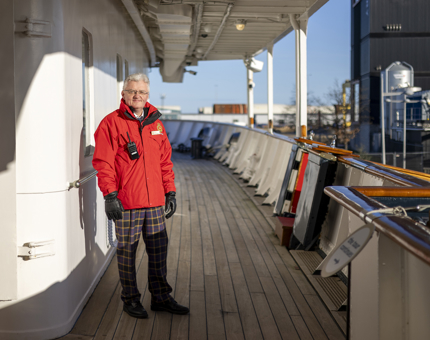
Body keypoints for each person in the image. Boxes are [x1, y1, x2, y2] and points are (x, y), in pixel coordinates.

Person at [92, 73, 189, 319]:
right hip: (127, 202)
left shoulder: (156, 124)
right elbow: (103, 163)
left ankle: (161, 297)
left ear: (148, 95)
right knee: (127, 252)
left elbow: (165, 161)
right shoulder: (110, 123)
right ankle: (131, 299)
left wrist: (170, 191)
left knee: (158, 249)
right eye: (132, 91)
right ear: (123, 94)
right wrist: (110, 195)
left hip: (155, 200)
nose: (137, 96)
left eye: (142, 92)